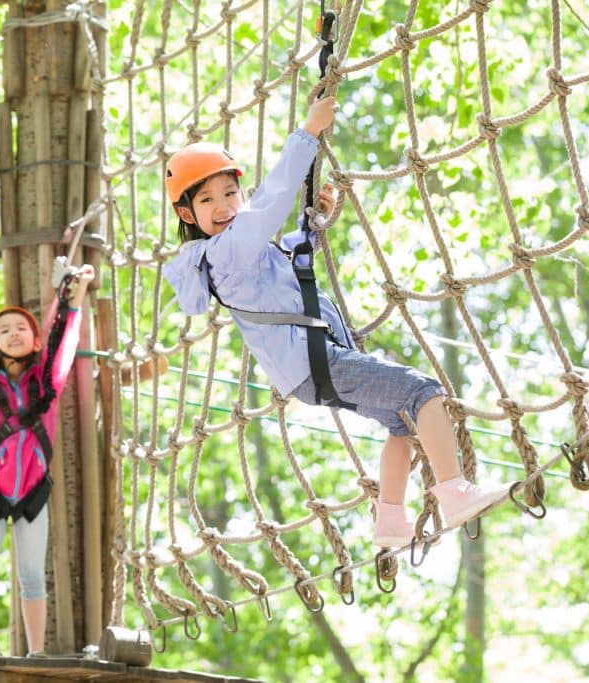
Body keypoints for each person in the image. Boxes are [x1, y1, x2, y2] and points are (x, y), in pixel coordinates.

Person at [161, 96, 506, 548]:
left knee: (401, 425)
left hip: (315, 367)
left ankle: (390, 521)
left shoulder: (240, 250)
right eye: (208, 200)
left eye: (230, 193)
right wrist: (309, 133)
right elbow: (271, 202)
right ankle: (454, 493)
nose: (224, 205)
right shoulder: (224, 251)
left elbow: (289, 255)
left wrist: (316, 221)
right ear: (188, 215)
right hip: (316, 362)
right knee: (424, 392)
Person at [0, 262, 94, 657]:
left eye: (22, 328)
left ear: (34, 340)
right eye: (4, 330)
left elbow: (60, 342)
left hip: (32, 491)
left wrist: (74, 295)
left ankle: (35, 651)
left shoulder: (46, 382)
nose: (14, 334)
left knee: (33, 575)